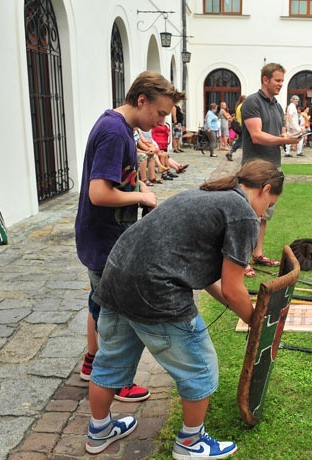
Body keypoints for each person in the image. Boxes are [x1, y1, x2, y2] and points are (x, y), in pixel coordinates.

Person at [85, 159, 285, 459]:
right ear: (265, 189)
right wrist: (258, 325)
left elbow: (211, 281)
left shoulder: (208, 194)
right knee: (200, 367)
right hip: (154, 289)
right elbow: (234, 288)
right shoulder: (242, 213)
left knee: (110, 361)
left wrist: (246, 315)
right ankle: (190, 443)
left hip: (116, 277)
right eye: (269, 203)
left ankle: (99, 431)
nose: (264, 212)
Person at [75, 71, 181, 402]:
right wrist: (140, 198)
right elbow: (99, 193)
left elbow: (120, 179)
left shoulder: (121, 128)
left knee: (99, 302)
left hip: (102, 237)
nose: (162, 120)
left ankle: (92, 364)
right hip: (104, 241)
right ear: (141, 100)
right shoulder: (114, 132)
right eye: (160, 113)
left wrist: (140, 186)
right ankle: (115, 380)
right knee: (114, 317)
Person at [240, 62, 300, 276]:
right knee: (248, 216)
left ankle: (257, 254)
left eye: (282, 81)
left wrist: (291, 137)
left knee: (264, 215)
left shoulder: (277, 105)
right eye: (277, 80)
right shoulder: (252, 102)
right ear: (265, 79)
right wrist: (282, 139)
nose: (281, 85)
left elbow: (278, 133)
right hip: (254, 170)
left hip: (273, 168)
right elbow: (256, 135)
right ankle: (243, 260)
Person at [226, 94, 246, 162]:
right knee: (241, 141)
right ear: (243, 100)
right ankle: (230, 153)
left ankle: (230, 153)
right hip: (242, 126)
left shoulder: (238, 106)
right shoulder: (242, 106)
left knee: (242, 141)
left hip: (239, 126)